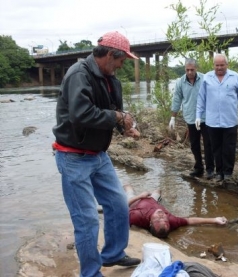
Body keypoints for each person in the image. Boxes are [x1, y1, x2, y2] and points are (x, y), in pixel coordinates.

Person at [52, 31, 141, 277]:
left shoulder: (110, 78)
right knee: (87, 220)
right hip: (72, 156)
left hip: (98, 155)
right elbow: (81, 114)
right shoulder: (79, 74)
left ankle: (113, 254)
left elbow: (111, 113)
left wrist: (125, 127)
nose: (122, 66)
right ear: (111, 55)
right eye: (122, 60)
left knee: (118, 204)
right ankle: (90, 273)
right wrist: (116, 117)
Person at [196, 53, 238, 182]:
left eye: (222, 65)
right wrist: (198, 115)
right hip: (212, 120)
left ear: (227, 65)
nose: (219, 68)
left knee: (229, 147)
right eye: (217, 65)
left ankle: (228, 172)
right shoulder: (207, 78)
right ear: (213, 65)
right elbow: (201, 99)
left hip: (230, 120)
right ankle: (219, 171)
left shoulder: (235, 77)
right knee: (215, 148)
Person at [125, 185, 228, 238]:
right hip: (152, 201)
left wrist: (140, 196)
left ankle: (129, 190)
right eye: (164, 220)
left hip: (136, 201)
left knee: (128, 188)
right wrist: (214, 220)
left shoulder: (136, 216)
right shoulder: (171, 220)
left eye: (158, 220)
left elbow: (123, 207)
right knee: (157, 191)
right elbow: (190, 221)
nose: (162, 216)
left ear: (151, 223)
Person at [169, 58, 214, 179]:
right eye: (187, 70)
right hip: (190, 117)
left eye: (192, 70)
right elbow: (177, 99)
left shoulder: (205, 79)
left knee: (208, 143)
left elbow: (214, 95)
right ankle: (198, 167)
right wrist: (173, 117)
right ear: (185, 69)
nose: (189, 72)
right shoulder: (180, 82)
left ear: (196, 68)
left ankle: (210, 169)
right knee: (194, 144)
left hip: (205, 117)